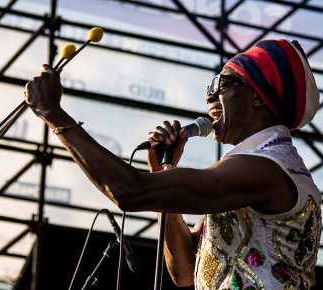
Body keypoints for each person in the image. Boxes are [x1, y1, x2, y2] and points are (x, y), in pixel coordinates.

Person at [24, 39, 322, 289]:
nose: (209, 96)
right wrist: (162, 171)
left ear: (258, 97)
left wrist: (54, 114)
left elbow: (128, 190)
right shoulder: (251, 170)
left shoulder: (264, 168)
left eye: (222, 84)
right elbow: (183, 269)